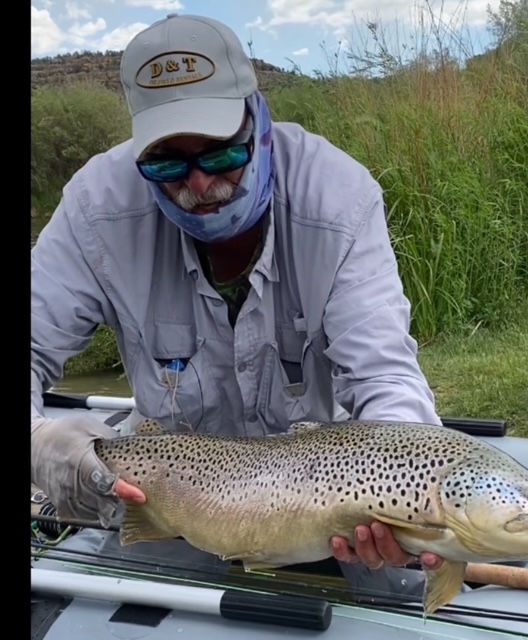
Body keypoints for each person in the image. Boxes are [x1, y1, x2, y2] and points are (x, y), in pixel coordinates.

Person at [31, 14, 443, 575]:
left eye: (222, 153)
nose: (198, 184)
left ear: (260, 123)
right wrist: (40, 443)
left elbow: (386, 376)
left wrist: (405, 501)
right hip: (162, 506)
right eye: (167, 162)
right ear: (138, 152)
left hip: (323, 515)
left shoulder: (340, 200)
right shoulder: (94, 209)